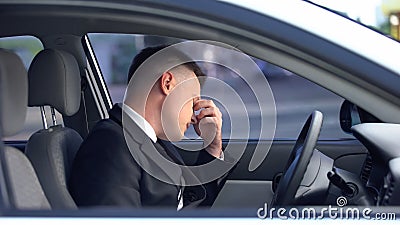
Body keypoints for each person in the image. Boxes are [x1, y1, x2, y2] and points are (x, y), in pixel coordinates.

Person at [69, 45, 234, 209]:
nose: (194, 116)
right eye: (193, 101)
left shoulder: (154, 140)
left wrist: (212, 147)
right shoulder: (109, 147)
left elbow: (188, 205)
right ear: (167, 83)